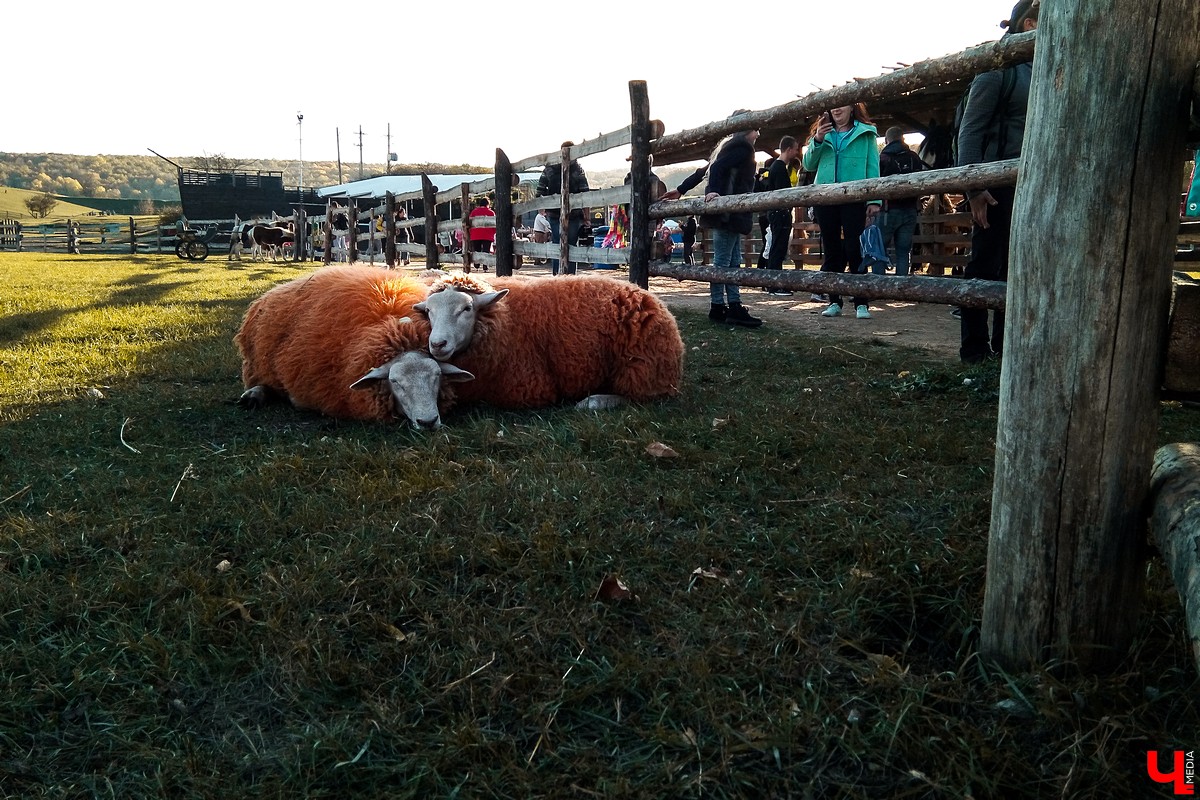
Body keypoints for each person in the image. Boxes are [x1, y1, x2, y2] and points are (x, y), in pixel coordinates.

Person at [957, 0, 1039, 362]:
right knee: (984, 263)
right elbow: (969, 131)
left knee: (1019, 264)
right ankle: (974, 348)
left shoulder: (1048, 68)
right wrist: (974, 187)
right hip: (994, 185)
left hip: (1032, 183)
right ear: (1030, 23)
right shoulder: (997, 70)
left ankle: (1006, 348)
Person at [663, 110, 764, 328]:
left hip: (729, 214)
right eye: (756, 129)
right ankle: (724, 306)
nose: (758, 134)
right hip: (729, 214)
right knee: (725, 261)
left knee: (730, 259)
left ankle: (724, 306)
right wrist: (715, 192)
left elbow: (704, 170)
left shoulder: (727, 145)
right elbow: (715, 168)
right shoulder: (743, 147)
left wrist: (682, 189)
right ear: (748, 129)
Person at [803, 103, 882, 319]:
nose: (837, 110)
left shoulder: (866, 134)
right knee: (831, 250)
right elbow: (809, 164)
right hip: (826, 198)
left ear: (852, 107)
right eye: (833, 107)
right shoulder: (823, 132)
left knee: (855, 248)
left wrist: (873, 199)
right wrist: (817, 139)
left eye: (842, 106)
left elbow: (873, 167)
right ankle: (834, 301)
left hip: (854, 197)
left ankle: (861, 302)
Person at [876, 126, 928, 277]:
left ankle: (878, 286)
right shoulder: (914, 157)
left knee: (879, 249)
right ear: (903, 138)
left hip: (887, 211)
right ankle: (900, 286)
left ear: (887, 140)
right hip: (910, 210)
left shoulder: (883, 158)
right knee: (903, 252)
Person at [536, 158, 590, 274]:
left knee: (557, 244)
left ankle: (557, 276)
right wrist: (587, 216)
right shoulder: (577, 169)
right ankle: (570, 277)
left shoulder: (549, 169)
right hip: (573, 214)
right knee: (571, 246)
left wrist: (542, 209)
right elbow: (585, 192)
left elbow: (540, 190)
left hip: (554, 212)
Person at [762, 135, 800, 295]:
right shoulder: (779, 168)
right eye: (796, 149)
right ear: (789, 149)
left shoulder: (778, 167)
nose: (797, 152)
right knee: (777, 249)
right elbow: (782, 194)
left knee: (778, 248)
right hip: (780, 214)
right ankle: (774, 285)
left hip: (779, 214)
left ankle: (776, 282)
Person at [467, 197, 496, 268]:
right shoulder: (491, 212)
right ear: (488, 204)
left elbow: (469, 223)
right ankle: (485, 265)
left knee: (477, 250)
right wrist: (493, 232)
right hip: (488, 235)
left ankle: (476, 264)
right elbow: (494, 224)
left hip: (475, 234)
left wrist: (471, 232)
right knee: (486, 251)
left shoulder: (474, 212)